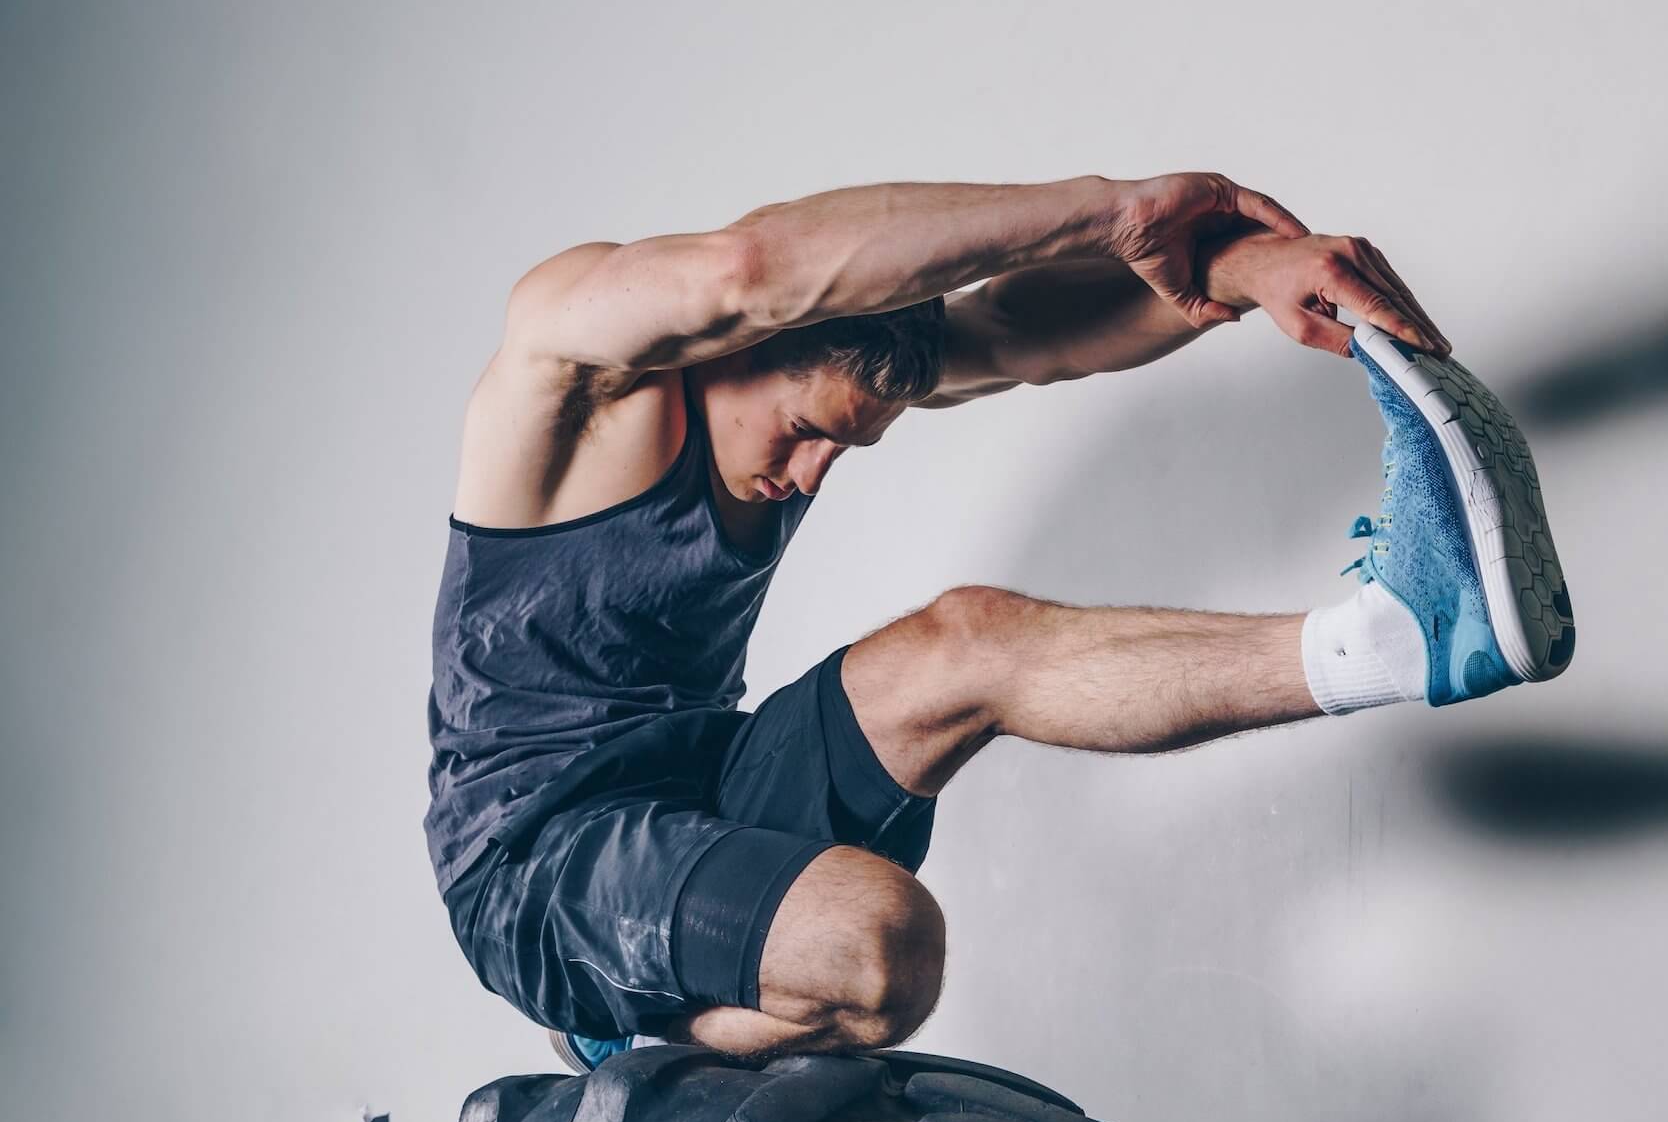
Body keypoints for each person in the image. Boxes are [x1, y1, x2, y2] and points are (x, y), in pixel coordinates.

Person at [423, 172, 1576, 1072]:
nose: (814, 472)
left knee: (969, 638)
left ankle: (1400, 635)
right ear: (733, 347)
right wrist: (1112, 208)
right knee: (882, 942)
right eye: (804, 429)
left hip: (703, 791)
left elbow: (1030, 337)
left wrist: (1246, 267)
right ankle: (622, 1026)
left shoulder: (809, 385)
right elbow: (751, 264)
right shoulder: (573, 376)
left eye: (845, 446)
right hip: (536, 860)